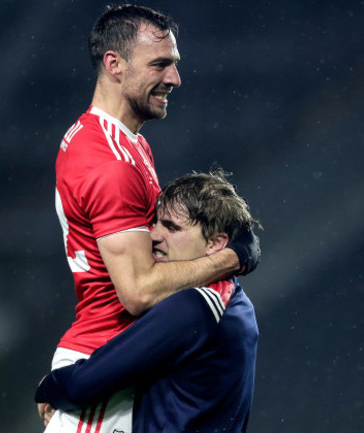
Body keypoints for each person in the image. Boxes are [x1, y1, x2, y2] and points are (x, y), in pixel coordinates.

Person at [43, 4, 260, 432]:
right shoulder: (113, 164)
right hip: (104, 367)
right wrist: (231, 259)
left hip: (120, 359)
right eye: (160, 64)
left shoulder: (119, 142)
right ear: (114, 65)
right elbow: (138, 292)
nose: (174, 78)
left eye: (174, 65)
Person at [36, 170, 260, 432]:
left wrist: (48, 387)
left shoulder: (193, 306)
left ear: (215, 243)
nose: (153, 235)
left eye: (172, 227)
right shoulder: (236, 302)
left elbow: (84, 384)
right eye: (156, 223)